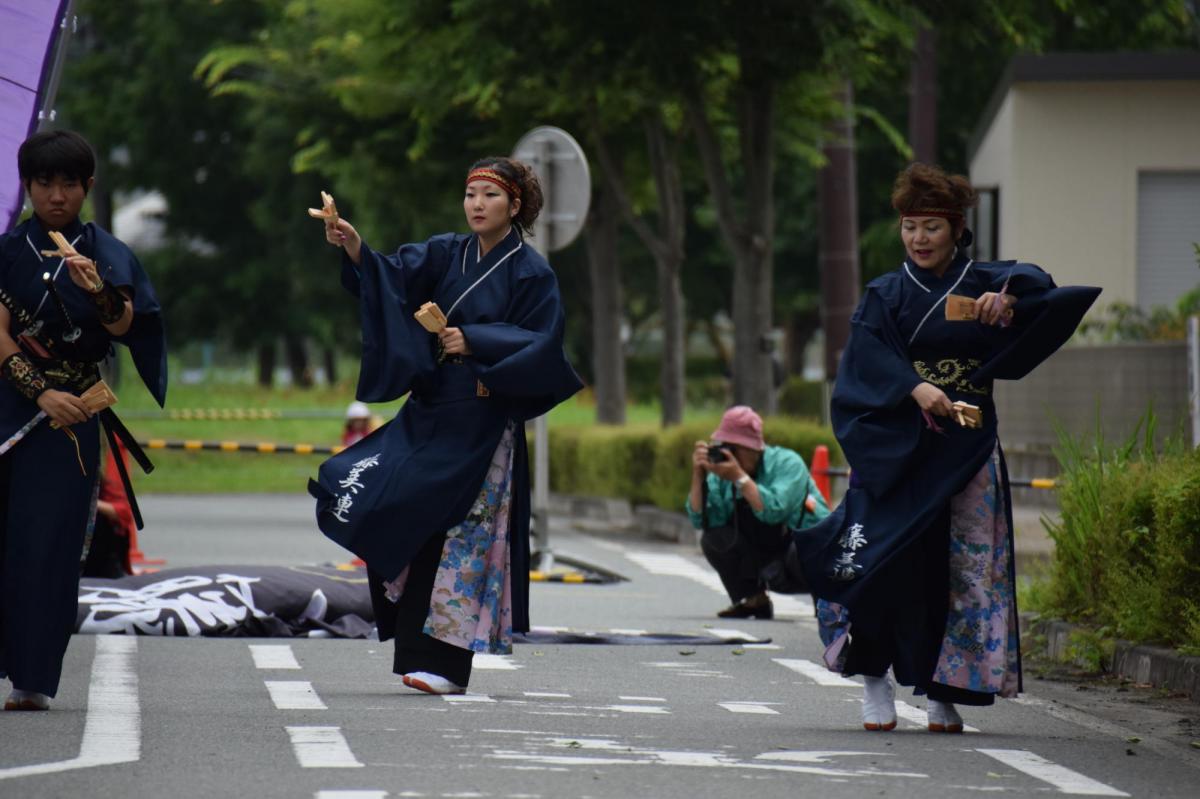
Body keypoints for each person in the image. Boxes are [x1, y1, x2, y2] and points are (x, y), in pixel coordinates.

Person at [796, 163, 1099, 733]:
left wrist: (1009, 303)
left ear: (958, 229)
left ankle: (943, 691)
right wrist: (914, 386)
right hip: (895, 449)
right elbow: (862, 360)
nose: (919, 239)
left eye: (932, 227)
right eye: (910, 227)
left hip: (968, 448)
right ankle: (873, 679)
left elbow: (1044, 292)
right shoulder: (885, 294)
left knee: (961, 571)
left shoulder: (986, 284)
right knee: (882, 562)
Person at [308, 157, 582, 695]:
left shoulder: (532, 272)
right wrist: (352, 244)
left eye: (490, 195)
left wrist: (475, 340)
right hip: (432, 407)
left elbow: (543, 345)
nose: (476, 204)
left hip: (484, 416)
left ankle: (449, 668)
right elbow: (388, 278)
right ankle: (413, 653)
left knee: (465, 539)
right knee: (398, 511)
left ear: (515, 205)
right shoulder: (445, 252)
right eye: (470, 194)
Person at [0, 130, 166, 711]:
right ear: (28, 185)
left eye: (69, 183)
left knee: (49, 544)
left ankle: (32, 675)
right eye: (44, 183)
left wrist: (96, 291)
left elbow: (125, 326)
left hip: (75, 420)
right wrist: (38, 391)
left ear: (87, 187)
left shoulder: (109, 252)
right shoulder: (6, 252)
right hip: (11, 408)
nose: (56, 195)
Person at [686, 405, 831, 620]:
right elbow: (701, 520)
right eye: (724, 446)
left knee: (807, 544)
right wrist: (698, 477)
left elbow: (774, 510)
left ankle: (826, 601)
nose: (728, 455)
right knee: (714, 538)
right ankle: (754, 600)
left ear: (752, 448)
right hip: (766, 559)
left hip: (804, 556)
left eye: (733, 448)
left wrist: (740, 478)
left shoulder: (786, 463)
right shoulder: (724, 474)